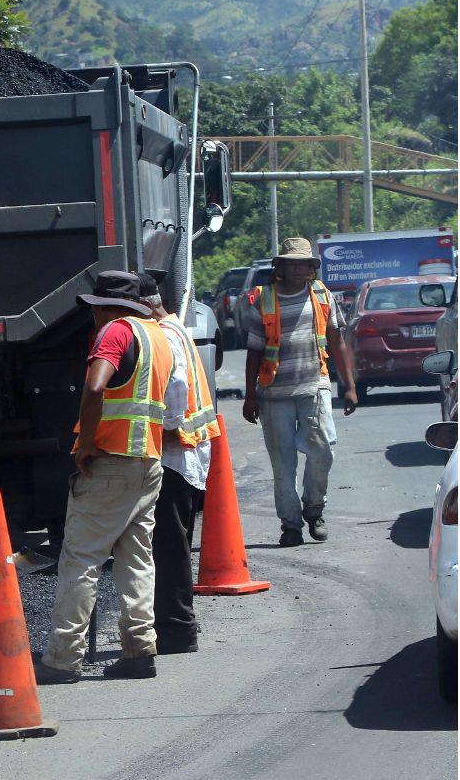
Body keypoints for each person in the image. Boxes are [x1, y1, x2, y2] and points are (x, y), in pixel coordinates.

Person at [37, 271, 175, 683]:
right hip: (147, 462)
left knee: (81, 559)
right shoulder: (158, 336)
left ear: (101, 307)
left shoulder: (115, 332)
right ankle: (139, 649)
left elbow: (96, 387)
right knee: (136, 559)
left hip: (110, 462)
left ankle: (63, 658)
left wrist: (86, 444)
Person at [240, 237, 358, 547]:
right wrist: (250, 395)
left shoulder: (322, 296)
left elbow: (337, 341)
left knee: (322, 453)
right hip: (273, 395)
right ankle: (290, 525)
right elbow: (253, 351)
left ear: (310, 268)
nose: (296, 269)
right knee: (283, 465)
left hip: (313, 388)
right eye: (289, 263)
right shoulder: (263, 299)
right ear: (279, 267)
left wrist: (349, 386)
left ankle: (314, 510)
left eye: (302, 263)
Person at [142, 275, 218, 654]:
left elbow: (175, 394)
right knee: (176, 545)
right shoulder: (174, 327)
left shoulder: (164, 336)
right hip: (186, 454)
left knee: (169, 548)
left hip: (174, 453)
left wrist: (160, 427)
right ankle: (177, 623)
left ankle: (177, 630)